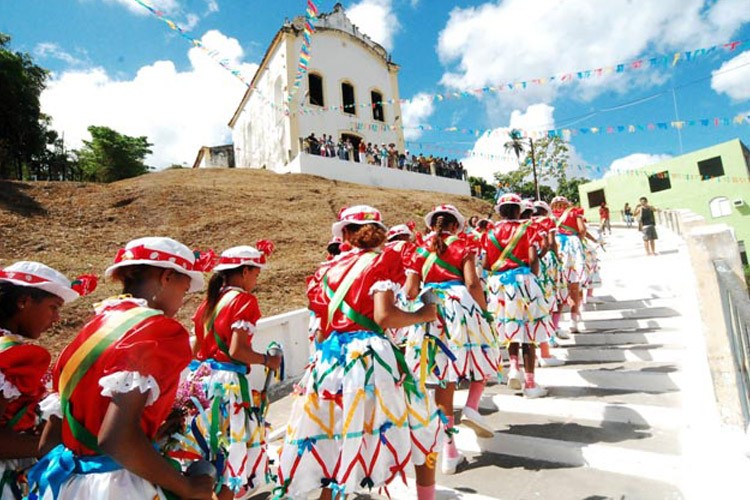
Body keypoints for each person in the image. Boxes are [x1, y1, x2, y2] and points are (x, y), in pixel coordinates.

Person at [27, 237, 214, 500]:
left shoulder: (90, 331)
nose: (183, 300)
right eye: (184, 289)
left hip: (67, 484)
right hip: (119, 487)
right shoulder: (158, 332)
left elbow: (50, 441)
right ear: (167, 277)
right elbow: (116, 438)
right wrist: (188, 487)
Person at [277, 205, 441, 500]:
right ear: (379, 233)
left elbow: (324, 325)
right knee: (422, 425)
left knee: (335, 438)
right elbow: (384, 317)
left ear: (346, 234)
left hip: (330, 360)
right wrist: (424, 315)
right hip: (370, 359)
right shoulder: (384, 260)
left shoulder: (326, 269)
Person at [175, 243, 282, 500]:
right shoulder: (244, 301)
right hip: (227, 387)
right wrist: (268, 360)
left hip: (199, 382)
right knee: (232, 452)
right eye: (255, 274)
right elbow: (237, 351)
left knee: (203, 450)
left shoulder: (209, 302)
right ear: (245, 271)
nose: (256, 280)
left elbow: (197, 347)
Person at [406, 204, 499, 475]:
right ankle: (471, 406)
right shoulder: (464, 245)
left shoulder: (419, 250)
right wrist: (483, 311)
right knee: (482, 354)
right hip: (461, 307)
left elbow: (411, 291)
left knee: (442, 378)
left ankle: (449, 452)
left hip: (430, 309)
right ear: (456, 226)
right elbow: (472, 283)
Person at [0, 262, 94, 499]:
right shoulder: (11, 358)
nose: (56, 318)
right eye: (53, 307)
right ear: (24, 302)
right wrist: (49, 441)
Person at [485, 195, 554, 398]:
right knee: (529, 333)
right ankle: (531, 384)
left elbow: (487, 265)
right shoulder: (528, 229)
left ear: (500, 211)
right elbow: (533, 259)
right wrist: (532, 278)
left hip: (500, 286)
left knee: (510, 326)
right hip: (524, 281)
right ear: (518, 210)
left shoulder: (490, 234)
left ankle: (514, 367)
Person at [551, 197, 596, 333]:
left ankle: (555, 323)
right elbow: (582, 230)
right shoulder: (574, 212)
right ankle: (573, 320)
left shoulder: (550, 216)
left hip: (557, 246)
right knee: (574, 284)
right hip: (572, 247)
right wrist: (578, 241)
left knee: (557, 284)